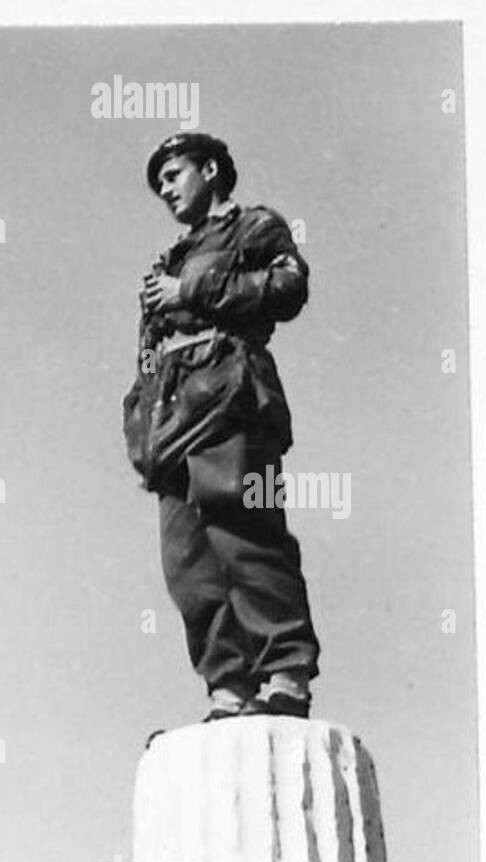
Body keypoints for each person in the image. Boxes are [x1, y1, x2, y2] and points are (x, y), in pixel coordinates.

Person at [124, 132, 321, 722]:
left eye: (174, 171)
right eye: (159, 179)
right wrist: (138, 417)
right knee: (187, 565)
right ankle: (228, 687)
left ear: (211, 170)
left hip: (230, 401)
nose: (165, 186)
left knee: (246, 537)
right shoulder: (167, 262)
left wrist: (196, 290)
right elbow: (150, 353)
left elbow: (288, 289)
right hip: (173, 418)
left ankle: (285, 674)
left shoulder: (252, 228)